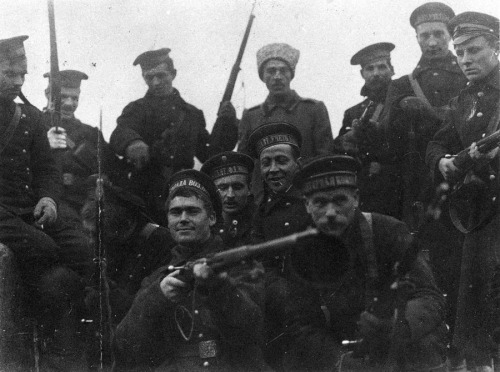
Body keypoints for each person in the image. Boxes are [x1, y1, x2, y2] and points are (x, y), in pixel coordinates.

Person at [286, 154, 448, 370]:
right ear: (307, 205)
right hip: (343, 353)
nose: (331, 213)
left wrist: (395, 324)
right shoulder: (302, 252)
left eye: (340, 200)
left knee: (426, 345)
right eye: (320, 203)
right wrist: (341, 362)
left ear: (356, 198)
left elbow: (430, 297)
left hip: (399, 344)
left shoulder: (388, 231)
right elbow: (301, 325)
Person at [113, 169, 269, 371]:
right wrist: (156, 298)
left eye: (193, 211)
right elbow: (125, 347)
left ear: (212, 218)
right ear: (167, 221)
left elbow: (249, 333)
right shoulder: (158, 278)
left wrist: (221, 287)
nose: (183, 219)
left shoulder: (241, 266)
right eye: (175, 212)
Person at [0, 35, 92, 370]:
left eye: (22, 74)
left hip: (29, 210)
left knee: (83, 251)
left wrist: (49, 197)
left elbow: (46, 168)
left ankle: (69, 343)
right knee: (44, 249)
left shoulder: (30, 117)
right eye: (10, 73)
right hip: (3, 215)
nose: (18, 81)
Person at [426, 11, 500, 371]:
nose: (467, 60)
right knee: (477, 294)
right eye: (461, 53)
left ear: (496, 48)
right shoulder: (463, 98)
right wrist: (442, 161)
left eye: (474, 50)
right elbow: (437, 143)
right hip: (479, 211)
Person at [110, 48, 238, 223]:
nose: (155, 82)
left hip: (182, 192)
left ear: (173, 74)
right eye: (149, 77)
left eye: (161, 75)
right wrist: (132, 142)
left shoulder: (192, 114)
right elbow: (119, 132)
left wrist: (227, 122)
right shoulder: (136, 109)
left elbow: (210, 154)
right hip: (145, 194)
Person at [381, 2, 468, 226]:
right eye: (425, 35)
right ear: (416, 37)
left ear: (450, 35)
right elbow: (387, 138)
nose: (432, 42)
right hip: (420, 186)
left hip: (467, 176)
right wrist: (400, 107)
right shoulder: (402, 86)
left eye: (439, 34)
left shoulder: (470, 77)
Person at [238, 43, 334, 203]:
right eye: (271, 71)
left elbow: (324, 158)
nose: (277, 76)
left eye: (283, 70)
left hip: (305, 198)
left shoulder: (313, 110)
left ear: (291, 74)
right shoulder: (250, 116)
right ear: (263, 77)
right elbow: (245, 165)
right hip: (264, 202)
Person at [43, 69, 117, 226]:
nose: (69, 104)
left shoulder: (91, 133)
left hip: (88, 204)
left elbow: (113, 170)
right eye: (62, 97)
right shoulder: (35, 126)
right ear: (48, 95)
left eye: (74, 98)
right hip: (52, 203)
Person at [334, 42, 400, 217]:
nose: (376, 73)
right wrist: (349, 139)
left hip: (399, 189)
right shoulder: (353, 113)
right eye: (370, 69)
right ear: (362, 73)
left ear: (392, 70)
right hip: (366, 192)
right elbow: (339, 151)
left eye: (381, 67)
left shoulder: (404, 103)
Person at [246, 122, 312, 262]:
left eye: (281, 161)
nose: (273, 169)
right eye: (266, 163)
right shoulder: (262, 211)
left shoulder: (313, 202)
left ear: (298, 164)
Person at [200, 151, 255, 248]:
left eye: (237, 187)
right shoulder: (206, 225)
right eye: (222, 188)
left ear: (249, 188)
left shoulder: (260, 220)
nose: (230, 195)